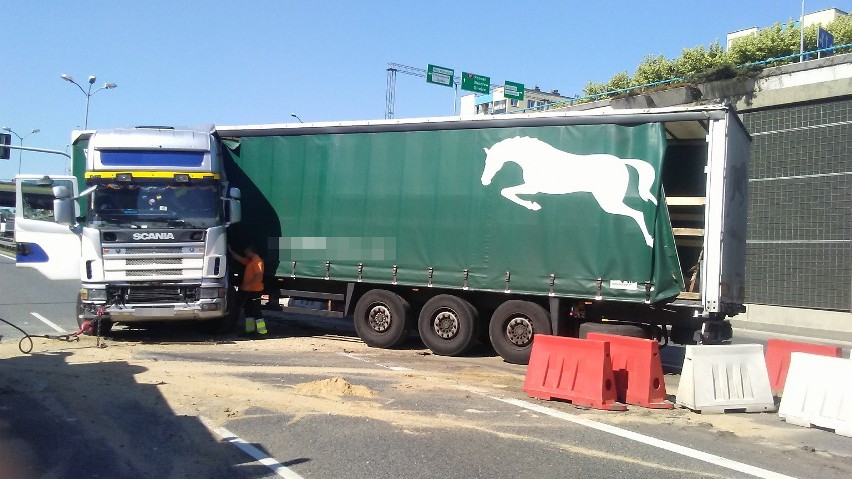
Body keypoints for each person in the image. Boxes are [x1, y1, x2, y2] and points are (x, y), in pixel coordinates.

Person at [228, 243, 267, 335]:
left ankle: (262, 332)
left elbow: (258, 276)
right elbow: (239, 258)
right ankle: (250, 330)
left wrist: (248, 286)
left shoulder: (258, 262)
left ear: (250, 252)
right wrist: (230, 251)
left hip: (255, 291)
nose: (245, 254)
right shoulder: (251, 261)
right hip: (249, 291)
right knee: (248, 311)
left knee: (255, 311)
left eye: (246, 252)